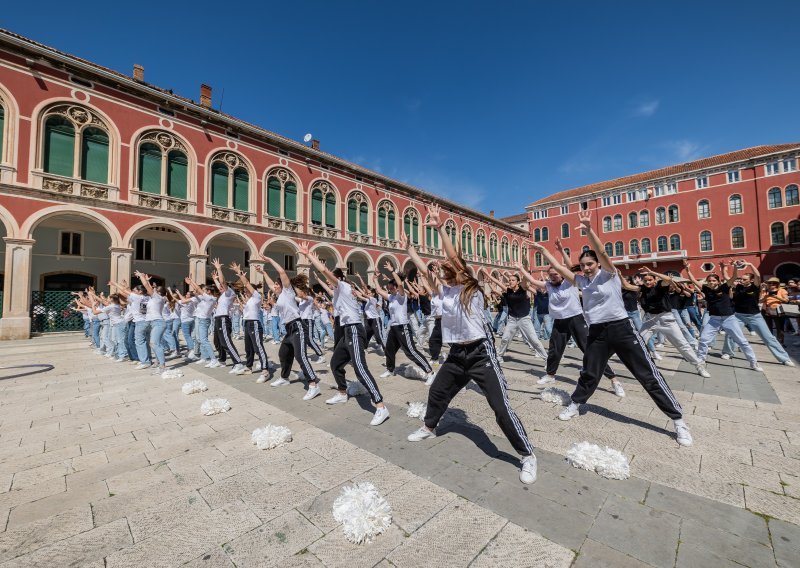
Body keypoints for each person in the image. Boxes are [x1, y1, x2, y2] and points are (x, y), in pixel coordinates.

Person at [405, 206, 537, 484]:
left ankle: (527, 455)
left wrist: (441, 228)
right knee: (438, 392)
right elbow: (422, 269)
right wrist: (410, 251)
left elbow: (454, 257)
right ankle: (429, 427)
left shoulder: (470, 289)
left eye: (445, 267)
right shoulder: (444, 293)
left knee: (500, 407)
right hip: (456, 354)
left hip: (480, 353)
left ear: (458, 272)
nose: (440, 268)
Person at [553, 211, 692, 446]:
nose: (586, 268)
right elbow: (561, 267)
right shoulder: (583, 282)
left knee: (647, 374)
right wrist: (546, 251)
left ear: (598, 264)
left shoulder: (609, 275)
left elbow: (604, 252)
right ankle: (576, 404)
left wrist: (588, 229)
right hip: (597, 332)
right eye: (583, 265)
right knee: (590, 373)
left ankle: (677, 419)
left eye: (590, 264)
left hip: (622, 329)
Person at [300, 241, 389, 425]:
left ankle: (380, 406)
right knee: (335, 363)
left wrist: (309, 256)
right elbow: (326, 281)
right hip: (346, 332)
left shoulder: (344, 287)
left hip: (355, 330)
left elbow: (327, 275)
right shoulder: (338, 292)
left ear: (338, 278)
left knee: (359, 368)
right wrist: (319, 271)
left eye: (331, 280)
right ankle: (342, 392)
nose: (328, 283)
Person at [515, 253, 625, 397]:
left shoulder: (570, 282)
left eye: (556, 274)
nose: (553, 277)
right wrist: (521, 269)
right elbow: (531, 280)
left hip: (576, 319)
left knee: (590, 350)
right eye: (551, 275)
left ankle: (614, 380)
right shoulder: (548, 285)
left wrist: (561, 251)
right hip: (560, 321)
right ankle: (550, 375)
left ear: (561, 274)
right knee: (554, 350)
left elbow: (569, 267)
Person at [620, 268, 711, 378]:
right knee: (639, 343)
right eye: (645, 280)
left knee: (682, 344)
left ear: (654, 280)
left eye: (650, 280)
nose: (648, 282)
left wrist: (652, 272)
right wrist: (619, 275)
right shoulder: (642, 289)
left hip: (666, 319)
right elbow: (627, 286)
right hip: (650, 320)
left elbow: (668, 279)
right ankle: (641, 368)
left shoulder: (660, 286)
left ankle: (699, 365)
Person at [259, 254, 322, 400]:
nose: (274, 286)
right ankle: (284, 378)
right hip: (289, 329)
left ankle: (313, 384)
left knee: (301, 356)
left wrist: (270, 260)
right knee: (283, 353)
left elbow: (282, 273)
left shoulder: (288, 291)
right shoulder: (280, 295)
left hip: (298, 326)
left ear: (282, 285)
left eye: (276, 284)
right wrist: (263, 273)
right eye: (275, 285)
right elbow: (269, 284)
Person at [684, 259, 763, 372]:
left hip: (729, 319)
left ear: (718, 281)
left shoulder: (725, 287)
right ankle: (701, 360)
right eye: (709, 280)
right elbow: (692, 280)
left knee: (742, 341)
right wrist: (687, 269)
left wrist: (734, 267)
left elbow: (734, 276)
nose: (711, 282)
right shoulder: (706, 289)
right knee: (703, 340)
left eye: (713, 280)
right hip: (714, 320)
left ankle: (753, 363)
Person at [373, 261, 435, 382]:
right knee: (389, 349)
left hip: (403, 327)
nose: (389, 290)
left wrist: (392, 271)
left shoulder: (401, 296)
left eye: (391, 288)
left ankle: (430, 371)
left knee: (410, 351)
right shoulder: (391, 297)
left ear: (396, 288)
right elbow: (380, 291)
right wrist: (375, 279)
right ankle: (390, 370)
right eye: (389, 288)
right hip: (394, 327)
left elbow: (400, 284)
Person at [721, 264, 794, 366]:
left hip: (754, 316)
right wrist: (728, 267)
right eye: (741, 279)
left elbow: (758, 275)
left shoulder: (755, 286)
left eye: (745, 279)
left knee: (768, 337)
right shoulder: (737, 286)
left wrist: (750, 264)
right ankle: (727, 353)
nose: (742, 280)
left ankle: (784, 358)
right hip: (738, 315)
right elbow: (726, 277)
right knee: (731, 333)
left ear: (751, 280)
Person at [483, 271, 548, 363]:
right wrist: (488, 274)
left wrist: (522, 268)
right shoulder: (507, 291)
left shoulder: (523, 289)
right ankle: (500, 356)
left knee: (534, 340)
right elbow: (497, 283)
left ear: (518, 282)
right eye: (509, 280)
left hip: (524, 319)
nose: (510, 281)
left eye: (513, 280)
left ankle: (546, 359)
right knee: (505, 339)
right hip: (512, 319)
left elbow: (525, 279)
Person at [229, 262, 272, 382]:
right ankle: (249, 367)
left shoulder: (257, 297)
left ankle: (265, 370)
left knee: (258, 347)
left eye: (246, 290)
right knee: (248, 348)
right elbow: (244, 311)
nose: (245, 291)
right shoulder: (249, 301)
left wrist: (239, 272)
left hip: (254, 324)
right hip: (247, 323)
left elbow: (247, 283)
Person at [208, 259, 246, 375]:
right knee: (217, 341)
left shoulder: (229, 292)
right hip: (218, 319)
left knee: (226, 342)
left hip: (224, 319)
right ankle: (222, 360)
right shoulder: (224, 293)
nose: (219, 287)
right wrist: (214, 279)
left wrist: (219, 269)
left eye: (221, 286)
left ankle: (238, 363)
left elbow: (222, 281)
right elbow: (220, 284)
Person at [761, 277, 788, 346]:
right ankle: (770, 342)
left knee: (780, 327)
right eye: (770, 283)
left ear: (777, 284)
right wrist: (766, 297)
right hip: (766, 310)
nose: (771, 284)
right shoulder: (765, 291)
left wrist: (776, 297)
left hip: (779, 310)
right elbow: (760, 301)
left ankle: (780, 342)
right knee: (768, 327)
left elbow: (786, 300)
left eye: (774, 283)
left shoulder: (782, 290)